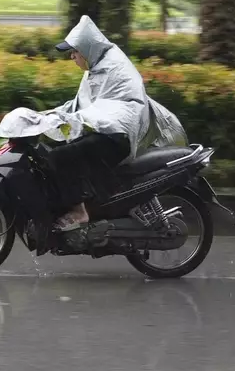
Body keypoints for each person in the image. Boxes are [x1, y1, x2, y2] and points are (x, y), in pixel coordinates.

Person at [44, 15, 188, 246]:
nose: (72, 56)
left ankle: (80, 213)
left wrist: (78, 119)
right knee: (54, 151)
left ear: (87, 49)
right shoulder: (96, 67)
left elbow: (114, 109)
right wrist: (45, 117)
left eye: (74, 52)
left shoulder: (114, 68)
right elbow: (80, 105)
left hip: (118, 137)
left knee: (61, 157)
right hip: (106, 131)